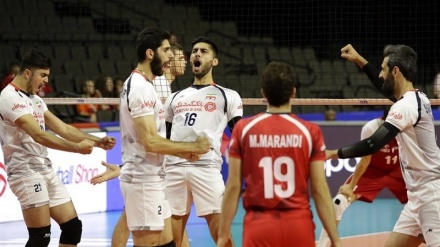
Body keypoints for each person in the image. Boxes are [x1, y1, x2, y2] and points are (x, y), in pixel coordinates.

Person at [104, 27, 211, 247]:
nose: (171, 56)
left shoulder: (146, 85)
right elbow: (150, 141)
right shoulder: (141, 88)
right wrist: (190, 147)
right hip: (143, 180)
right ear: (150, 54)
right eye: (165, 50)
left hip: (153, 177)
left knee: (168, 242)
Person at [326, 44, 440, 247]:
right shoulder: (418, 97)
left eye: (383, 68)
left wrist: (333, 153)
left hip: (432, 197)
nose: (380, 74)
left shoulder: (405, 106)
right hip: (416, 198)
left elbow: (372, 143)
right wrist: (359, 59)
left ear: (395, 71)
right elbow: (382, 86)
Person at [217, 61, 341, 247]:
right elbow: (319, 190)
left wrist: (222, 234)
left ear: (263, 93)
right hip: (298, 225)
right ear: (293, 92)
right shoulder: (310, 131)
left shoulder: (243, 129)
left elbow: (233, 186)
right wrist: (335, 239)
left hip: (259, 226)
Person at [0, 48, 116, 247]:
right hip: (25, 173)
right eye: (43, 75)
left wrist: (95, 141)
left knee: (72, 228)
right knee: (40, 237)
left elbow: (62, 128)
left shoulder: (35, 99)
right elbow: (40, 135)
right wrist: (77, 148)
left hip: (45, 169)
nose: (46, 81)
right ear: (28, 73)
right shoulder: (9, 97)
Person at [91, 42, 192, 247]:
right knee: (134, 223)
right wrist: (190, 149)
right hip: (145, 175)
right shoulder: (151, 85)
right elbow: (148, 139)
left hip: (154, 170)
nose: (178, 59)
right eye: (174, 55)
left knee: (158, 229)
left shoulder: (158, 85)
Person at [163, 36, 242, 247]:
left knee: (223, 237)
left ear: (214, 61)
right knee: (172, 239)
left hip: (206, 168)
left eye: (204, 51)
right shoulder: (174, 98)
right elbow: (166, 139)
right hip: (174, 169)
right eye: (195, 50)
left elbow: (240, 133)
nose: (197, 54)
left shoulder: (228, 95)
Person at [317, 107, 407, 247]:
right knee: (338, 202)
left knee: (426, 201)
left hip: (399, 171)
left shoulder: (407, 127)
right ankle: (321, 245)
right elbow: (365, 159)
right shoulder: (372, 128)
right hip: (373, 172)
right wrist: (351, 186)